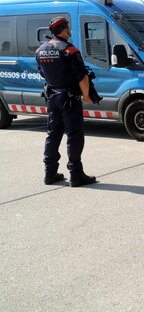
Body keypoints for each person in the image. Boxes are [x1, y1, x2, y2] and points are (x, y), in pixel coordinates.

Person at [36, 16, 96, 187]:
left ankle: (50, 173)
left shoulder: (40, 51)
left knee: (53, 135)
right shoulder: (70, 50)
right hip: (69, 98)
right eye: (68, 28)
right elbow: (82, 77)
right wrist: (86, 96)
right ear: (65, 30)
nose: (69, 31)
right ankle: (76, 175)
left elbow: (42, 73)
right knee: (74, 135)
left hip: (52, 96)